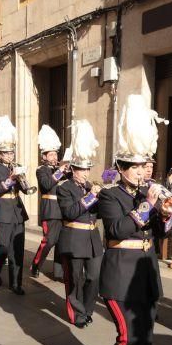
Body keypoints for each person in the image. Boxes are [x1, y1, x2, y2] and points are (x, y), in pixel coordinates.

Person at [98, 95, 172, 345]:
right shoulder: (109, 195)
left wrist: (165, 215)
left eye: (146, 166)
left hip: (145, 275)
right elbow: (117, 230)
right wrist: (146, 205)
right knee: (127, 338)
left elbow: (159, 235)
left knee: (144, 340)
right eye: (137, 167)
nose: (144, 172)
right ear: (122, 167)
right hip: (119, 277)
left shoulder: (149, 195)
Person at [57, 120, 103, 328]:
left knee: (93, 277)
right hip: (74, 239)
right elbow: (70, 211)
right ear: (73, 170)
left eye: (87, 169)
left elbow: (99, 213)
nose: (86, 173)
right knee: (76, 280)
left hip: (93, 240)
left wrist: (102, 197)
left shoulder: (91, 187)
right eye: (82, 170)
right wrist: (90, 197)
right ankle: (78, 313)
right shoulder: (64, 188)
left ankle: (88, 309)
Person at [0, 116, 28, 295]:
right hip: (3, 211)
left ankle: (16, 283)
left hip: (18, 212)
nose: (10, 156)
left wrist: (24, 181)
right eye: (6, 153)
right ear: (0, 154)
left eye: (12, 153)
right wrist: (10, 179)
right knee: (3, 247)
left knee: (17, 250)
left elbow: (25, 189)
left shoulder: (16, 166)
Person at [31, 125, 67, 278]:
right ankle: (36, 264)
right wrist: (59, 172)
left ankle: (58, 272)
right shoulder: (42, 170)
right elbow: (46, 185)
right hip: (50, 210)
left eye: (55, 154)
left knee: (61, 243)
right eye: (50, 155)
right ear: (44, 156)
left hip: (63, 209)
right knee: (49, 241)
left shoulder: (61, 171)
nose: (54, 157)